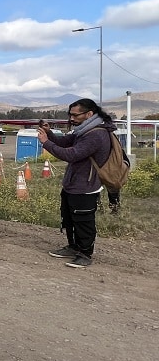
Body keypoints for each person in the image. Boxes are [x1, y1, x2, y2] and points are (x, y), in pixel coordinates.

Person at [37, 98, 114, 268]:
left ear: (89, 114)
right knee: (70, 218)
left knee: (84, 221)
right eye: (70, 114)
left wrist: (46, 143)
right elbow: (65, 142)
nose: (71, 118)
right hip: (74, 183)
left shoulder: (96, 134)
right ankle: (73, 247)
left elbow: (71, 154)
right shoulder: (84, 131)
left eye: (75, 115)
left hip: (85, 186)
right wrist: (49, 134)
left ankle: (85, 254)